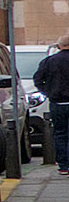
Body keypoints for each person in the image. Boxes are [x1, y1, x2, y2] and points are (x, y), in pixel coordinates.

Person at [33, 32, 69, 176]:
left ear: (59, 46)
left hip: (57, 102)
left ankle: (63, 165)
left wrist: (48, 91)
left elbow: (38, 79)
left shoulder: (49, 61)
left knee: (60, 133)